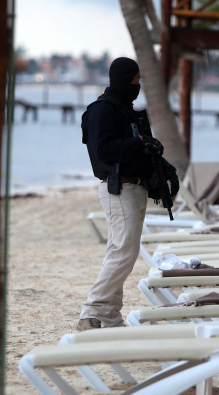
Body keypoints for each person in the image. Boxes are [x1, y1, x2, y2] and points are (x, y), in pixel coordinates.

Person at [77, 57, 179, 330]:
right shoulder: (102, 111)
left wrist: (167, 170)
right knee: (124, 252)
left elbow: (145, 150)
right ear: (123, 80)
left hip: (136, 187)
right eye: (136, 81)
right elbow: (104, 150)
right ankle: (91, 313)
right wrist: (140, 141)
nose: (138, 86)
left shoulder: (127, 111)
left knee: (119, 252)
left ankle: (109, 317)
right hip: (118, 187)